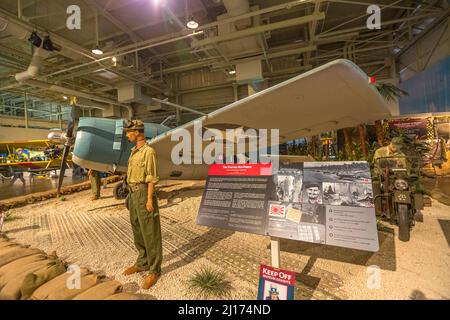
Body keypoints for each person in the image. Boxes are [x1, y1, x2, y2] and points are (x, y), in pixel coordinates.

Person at [122, 120, 162, 290]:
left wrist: (149, 199)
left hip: (143, 193)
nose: (127, 135)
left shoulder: (148, 151)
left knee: (150, 232)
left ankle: (154, 270)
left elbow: (152, 177)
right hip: (133, 194)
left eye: (129, 132)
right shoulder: (133, 152)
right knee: (137, 228)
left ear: (137, 132)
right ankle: (143, 262)